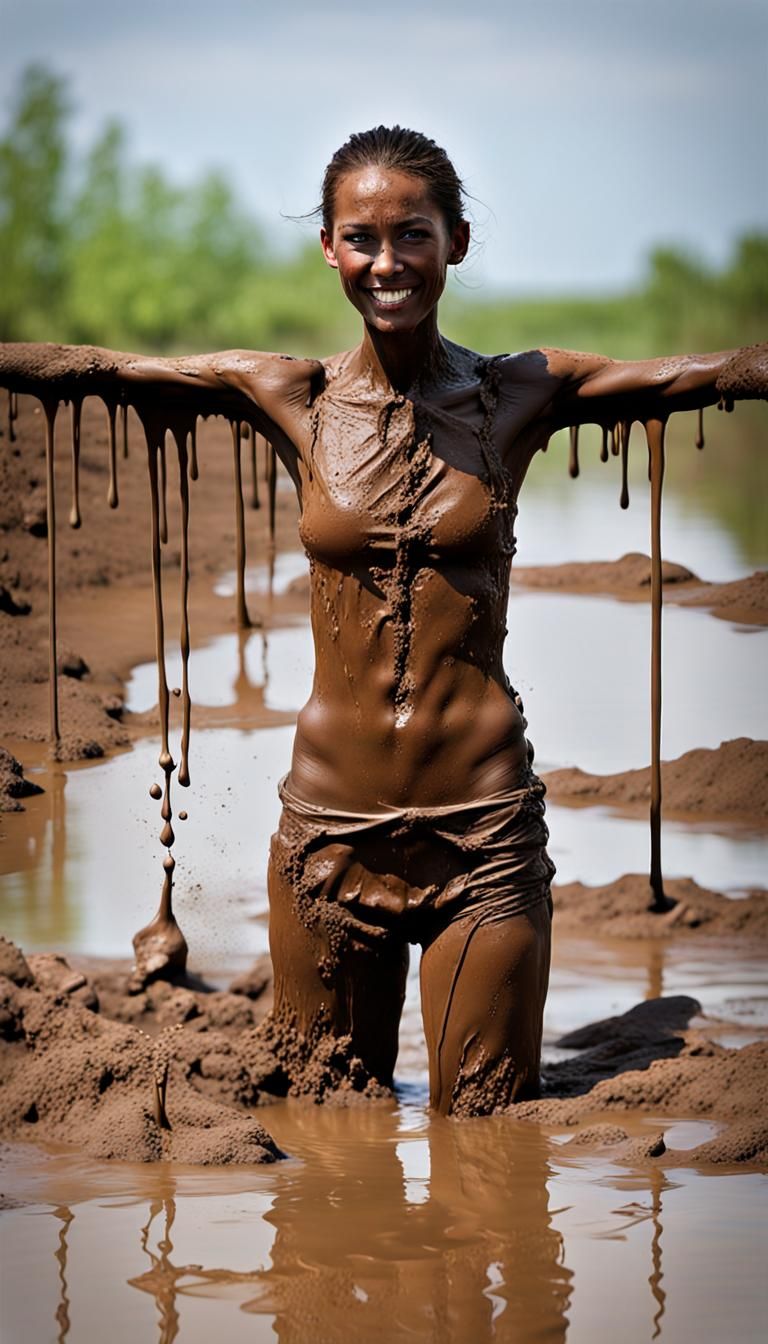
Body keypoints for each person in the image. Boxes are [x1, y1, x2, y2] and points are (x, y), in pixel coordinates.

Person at [0, 126, 764, 1116]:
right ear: (328, 248)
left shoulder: (516, 393)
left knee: (491, 1150)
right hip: (327, 840)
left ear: (458, 242)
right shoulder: (292, 395)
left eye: (414, 234)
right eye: (362, 238)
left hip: (483, 840)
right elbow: (100, 371)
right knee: (323, 1158)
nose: (388, 262)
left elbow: (696, 376)